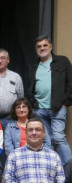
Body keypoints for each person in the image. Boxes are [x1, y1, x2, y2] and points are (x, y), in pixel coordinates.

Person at [27, 35, 72, 166]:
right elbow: (30, 86)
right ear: (36, 49)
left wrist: (66, 103)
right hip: (39, 109)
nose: (42, 48)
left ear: (50, 47)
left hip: (57, 108)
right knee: (46, 140)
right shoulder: (34, 65)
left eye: (45, 45)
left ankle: (69, 171)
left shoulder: (62, 61)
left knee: (58, 138)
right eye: (39, 46)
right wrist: (32, 103)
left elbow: (70, 82)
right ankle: (52, 168)